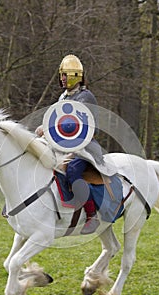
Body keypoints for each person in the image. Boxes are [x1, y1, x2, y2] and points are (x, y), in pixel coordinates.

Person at [36, 54, 103, 234]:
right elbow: (58, 120)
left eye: (66, 75)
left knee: (72, 170)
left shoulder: (85, 97)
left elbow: (75, 125)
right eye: (61, 75)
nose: (62, 79)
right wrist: (44, 127)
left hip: (84, 147)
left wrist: (51, 129)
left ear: (76, 76)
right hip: (63, 145)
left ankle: (91, 215)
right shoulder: (63, 97)